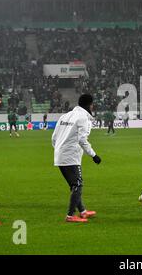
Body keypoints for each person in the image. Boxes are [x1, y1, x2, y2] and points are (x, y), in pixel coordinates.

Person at [52, 94, 102, 223]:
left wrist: (59, 150)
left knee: (74, 185)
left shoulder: (65, 116)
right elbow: (82, 139)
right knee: (78, 184)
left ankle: (83, 211)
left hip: (60, 155)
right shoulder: (83, 118)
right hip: (70, 156)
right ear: (89, 105)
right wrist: (94, 155)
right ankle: (70, 215)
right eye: (92, 104)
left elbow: (54, 137)